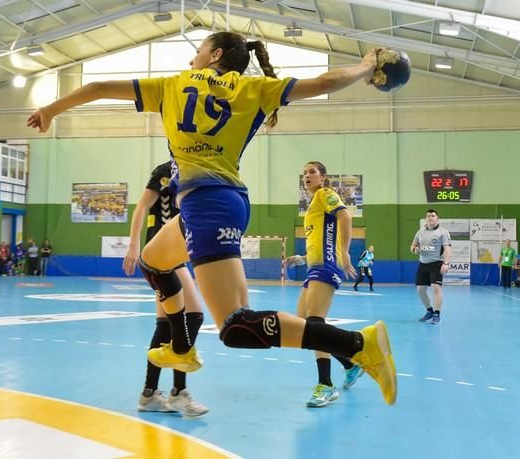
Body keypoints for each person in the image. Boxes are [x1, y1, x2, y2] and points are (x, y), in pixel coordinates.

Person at [28, 32, 397, 406]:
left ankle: (358, 344)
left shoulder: (173, 85)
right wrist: (367, 66)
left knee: (236, 326)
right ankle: (181, 348)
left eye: (198, 52)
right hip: (211, 203)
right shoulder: (253, 88)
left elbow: (98, 86)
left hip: (208, 205)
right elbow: (325, 82)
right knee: (153, 261)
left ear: (215, 54)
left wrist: (51, 110)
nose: (192, 59)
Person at [123, 160, 208, 417]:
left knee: (166, 324)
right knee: (193, 315)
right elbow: (142, 206)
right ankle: (178, 393)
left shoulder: (200, 169)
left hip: (176, 252)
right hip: (160, 253)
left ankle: (150, 394)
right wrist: (133, 245)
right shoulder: (166, 170)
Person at [285, 161, 363, 408]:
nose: (307, 175)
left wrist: (346, 252)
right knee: (302, 324)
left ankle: (326, 385)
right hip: (315, 266)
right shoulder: (312, 205)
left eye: (312, 172)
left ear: (323, 177)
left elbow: (345, 216)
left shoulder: (325, 194)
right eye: (305, 172)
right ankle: (349, 364)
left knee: (314, 325)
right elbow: (322, 239)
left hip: (327, 267)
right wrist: (302, 258)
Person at [410, 209, 451, 325]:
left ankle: (437, 314)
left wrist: (446, 263)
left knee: (436, 287)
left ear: (437, 219)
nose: (430, 217)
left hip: (436, 263)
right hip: (423, 263)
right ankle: (429, 311)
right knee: (420, 289)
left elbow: (447, 248)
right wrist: (414, 249)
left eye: (433, 216)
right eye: (428, 216)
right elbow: (413, 245)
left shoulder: (443, 232)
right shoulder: (420, 232)